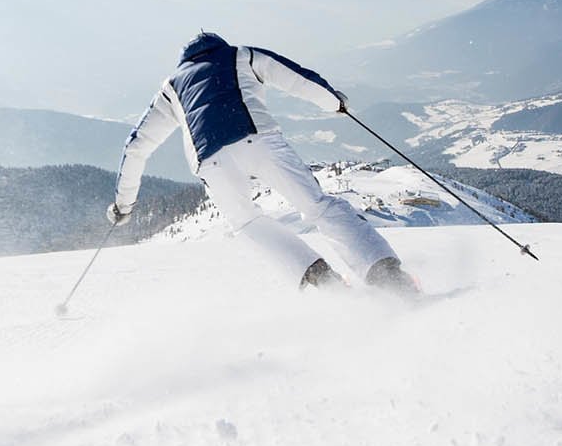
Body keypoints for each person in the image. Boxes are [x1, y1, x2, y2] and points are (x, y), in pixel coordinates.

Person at [108, 31, 417, 293]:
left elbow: (137, 146)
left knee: (248, 222)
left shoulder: (172, 87)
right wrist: (334, 102)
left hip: (212, 162)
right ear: (218, 45)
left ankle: (320, 280)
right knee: (317, 206)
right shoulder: (240, 55)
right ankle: (386, 274)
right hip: (259, 139)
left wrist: (124, 205)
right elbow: (295, 77)